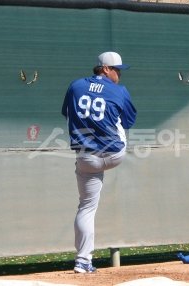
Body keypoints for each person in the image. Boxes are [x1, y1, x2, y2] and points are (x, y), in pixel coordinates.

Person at [61, 51, 137, 273]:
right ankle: (83, 263)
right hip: (114, 154)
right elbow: (130, 121)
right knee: (120, 125)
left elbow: (67, 114)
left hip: (86, 157)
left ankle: (83, 260)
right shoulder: (119, 91)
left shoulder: (75, 86)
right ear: (105, 68)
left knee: (86, 207)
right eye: (117, 69)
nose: (119, 74)